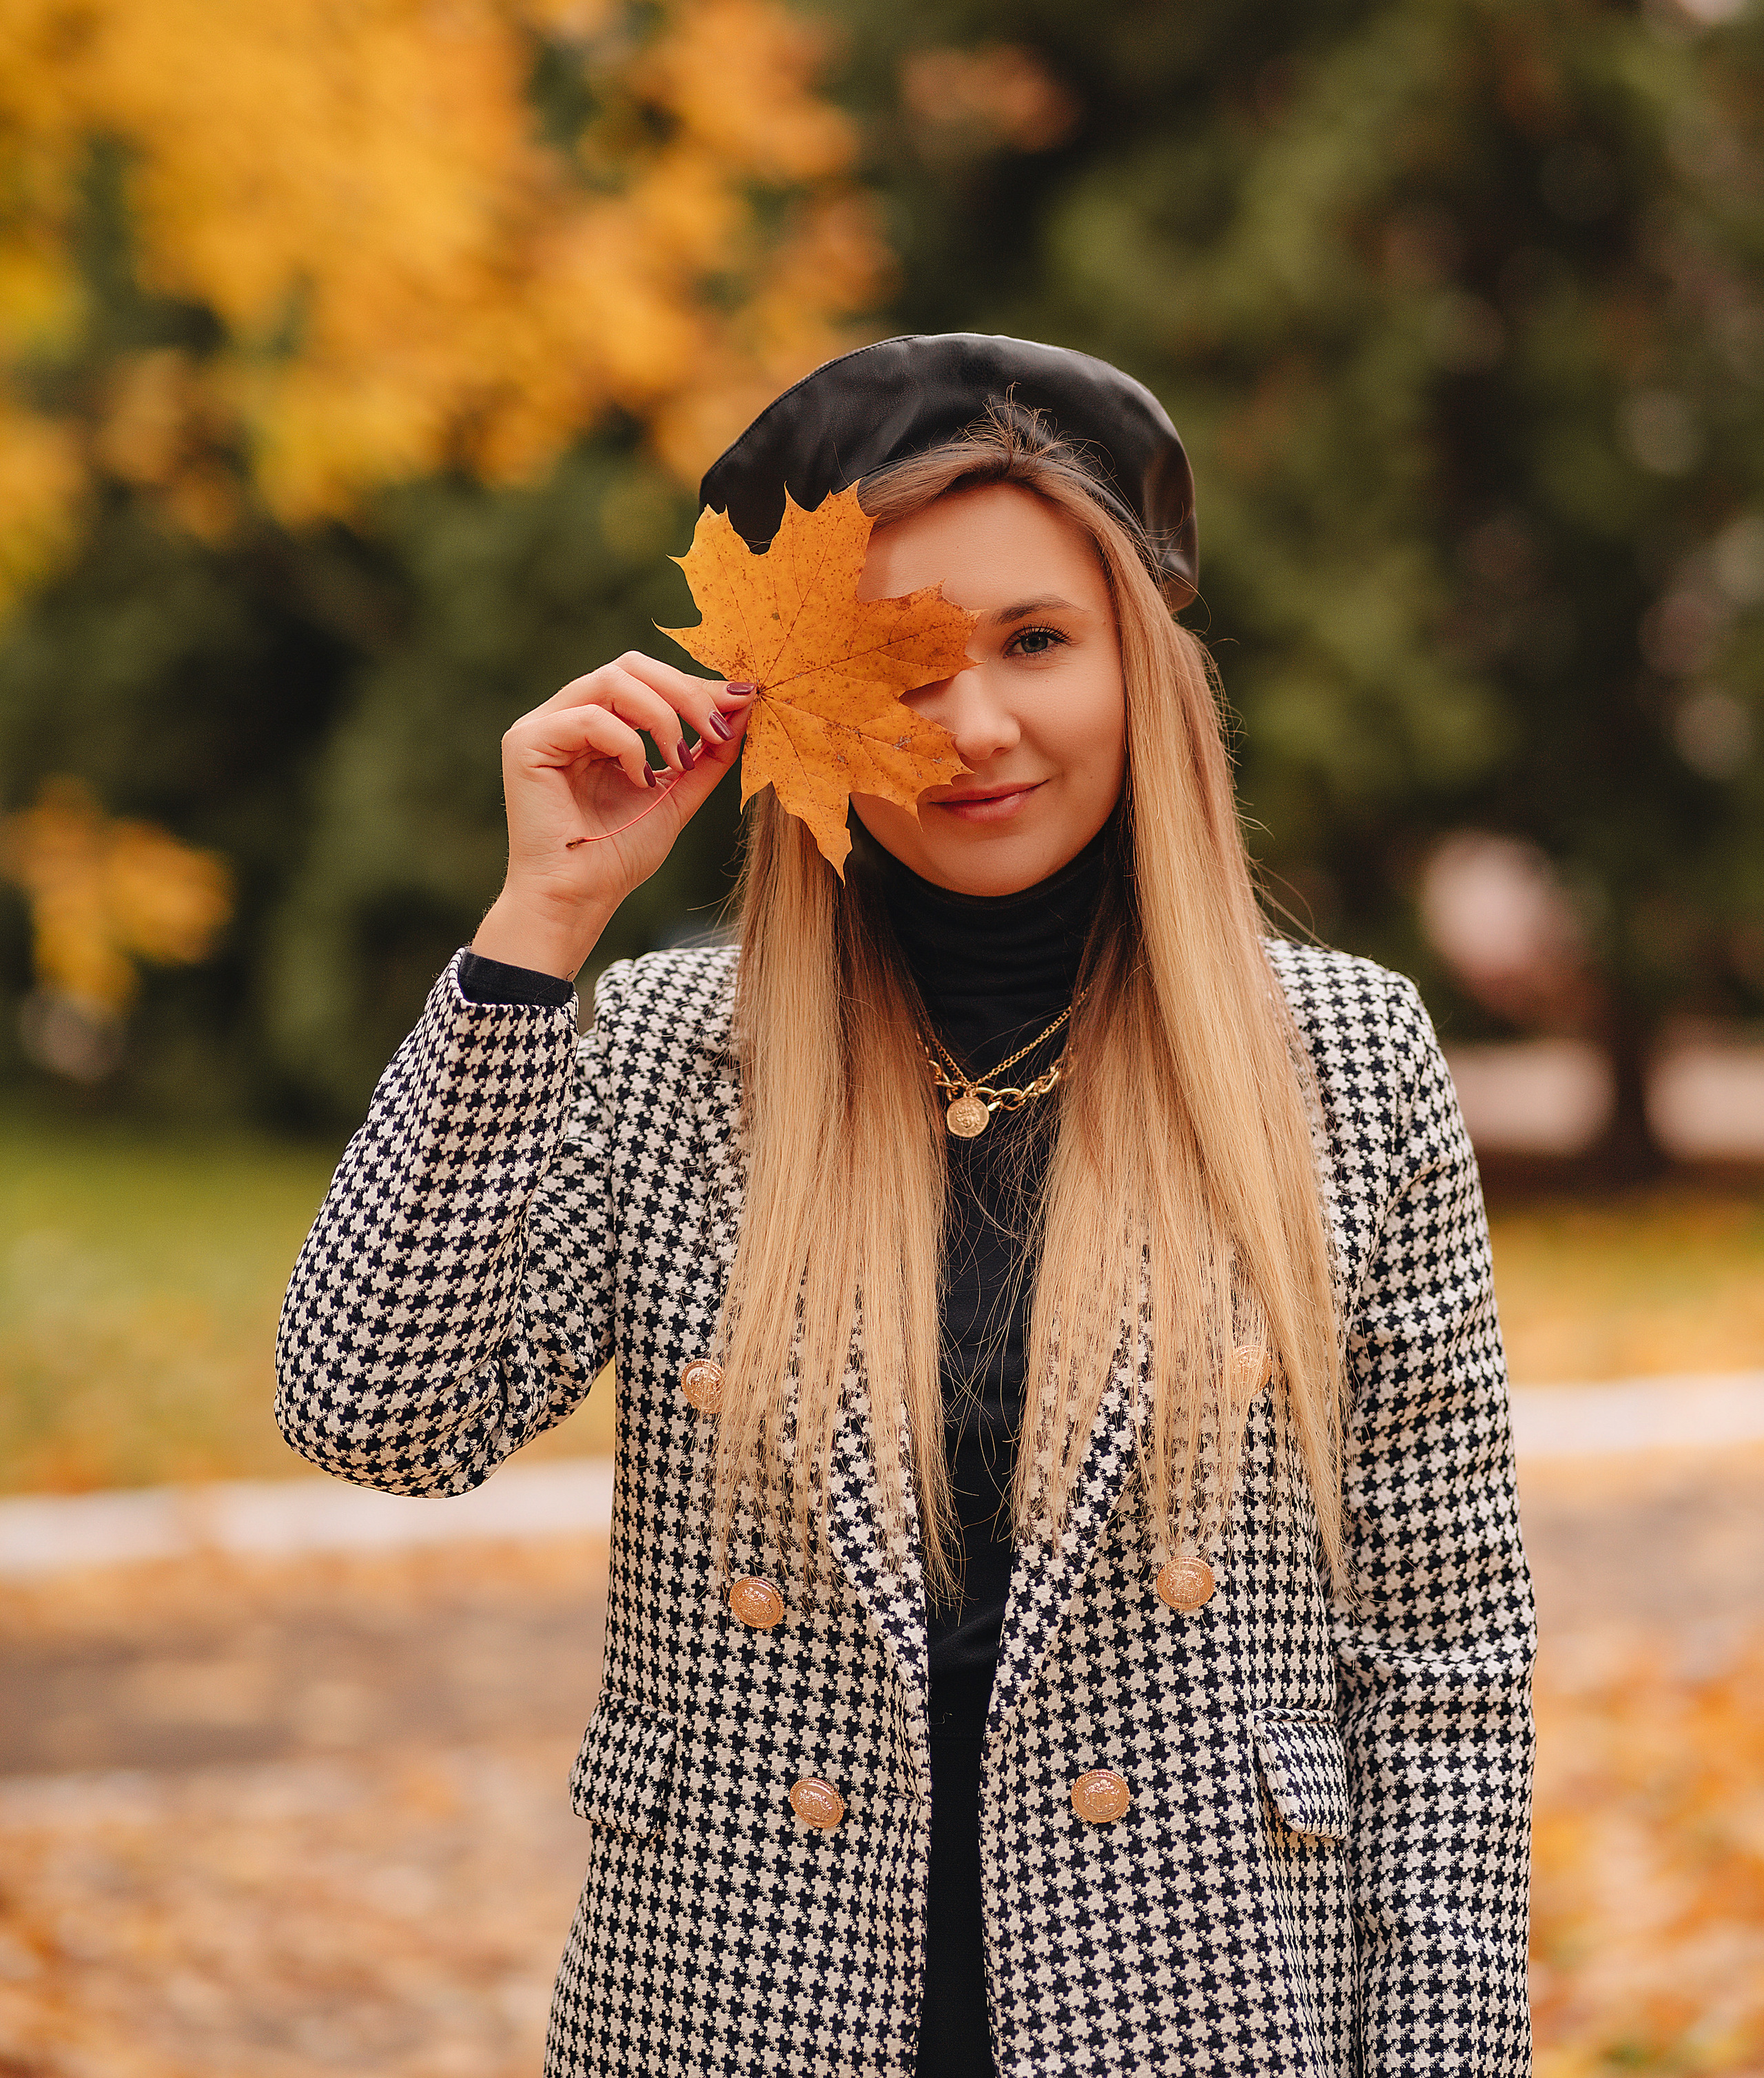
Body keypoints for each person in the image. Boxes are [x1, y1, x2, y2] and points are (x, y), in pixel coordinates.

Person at [276, 334, 1536, 2078]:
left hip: (1201, 2012)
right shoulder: (666, 1050)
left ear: (1143, 667)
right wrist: (536, 930)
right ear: (791, 703)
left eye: (1035, 641)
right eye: (899, 660)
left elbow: (1444, 1658)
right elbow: (375, 1411)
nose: (975, 725)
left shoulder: (1342, 1059)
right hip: (737, 2007)